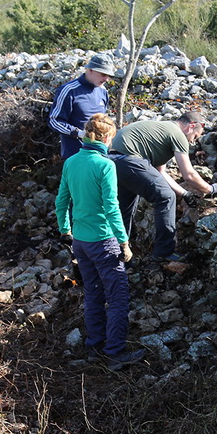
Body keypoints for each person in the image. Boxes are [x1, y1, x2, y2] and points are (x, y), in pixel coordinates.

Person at [56, 114, 145, 371]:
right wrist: (124, 242)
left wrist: (66, 231)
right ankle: (115, 353)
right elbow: (111, 207)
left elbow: (61, 201)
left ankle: (95, 347)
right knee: (118, 297)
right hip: (104, 241)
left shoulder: (71, 162)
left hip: (81, 241)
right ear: (107, 138)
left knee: (93, 294)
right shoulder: (105, 165)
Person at [109, 112, 217, 262]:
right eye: (195, 136)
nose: (193, 142)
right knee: (166, 197)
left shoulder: (161, 132)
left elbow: (160, 173)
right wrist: (210, 189)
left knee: (125, 209)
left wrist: (184, 193)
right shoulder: (178, 134)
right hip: (131, 160)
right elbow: (188, 174)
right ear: (191, 126)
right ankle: (164, 251)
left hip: (113, 161)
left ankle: (118, 254)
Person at [49, 54, 116, 161]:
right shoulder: (69, 90)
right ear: (90, 70)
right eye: (103, 74)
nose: (106, 79)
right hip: (75, 156)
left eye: (108, 75)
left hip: (99, 156)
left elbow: (104, 119)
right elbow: (54, 121)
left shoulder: (103, 91)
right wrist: (79, 133)